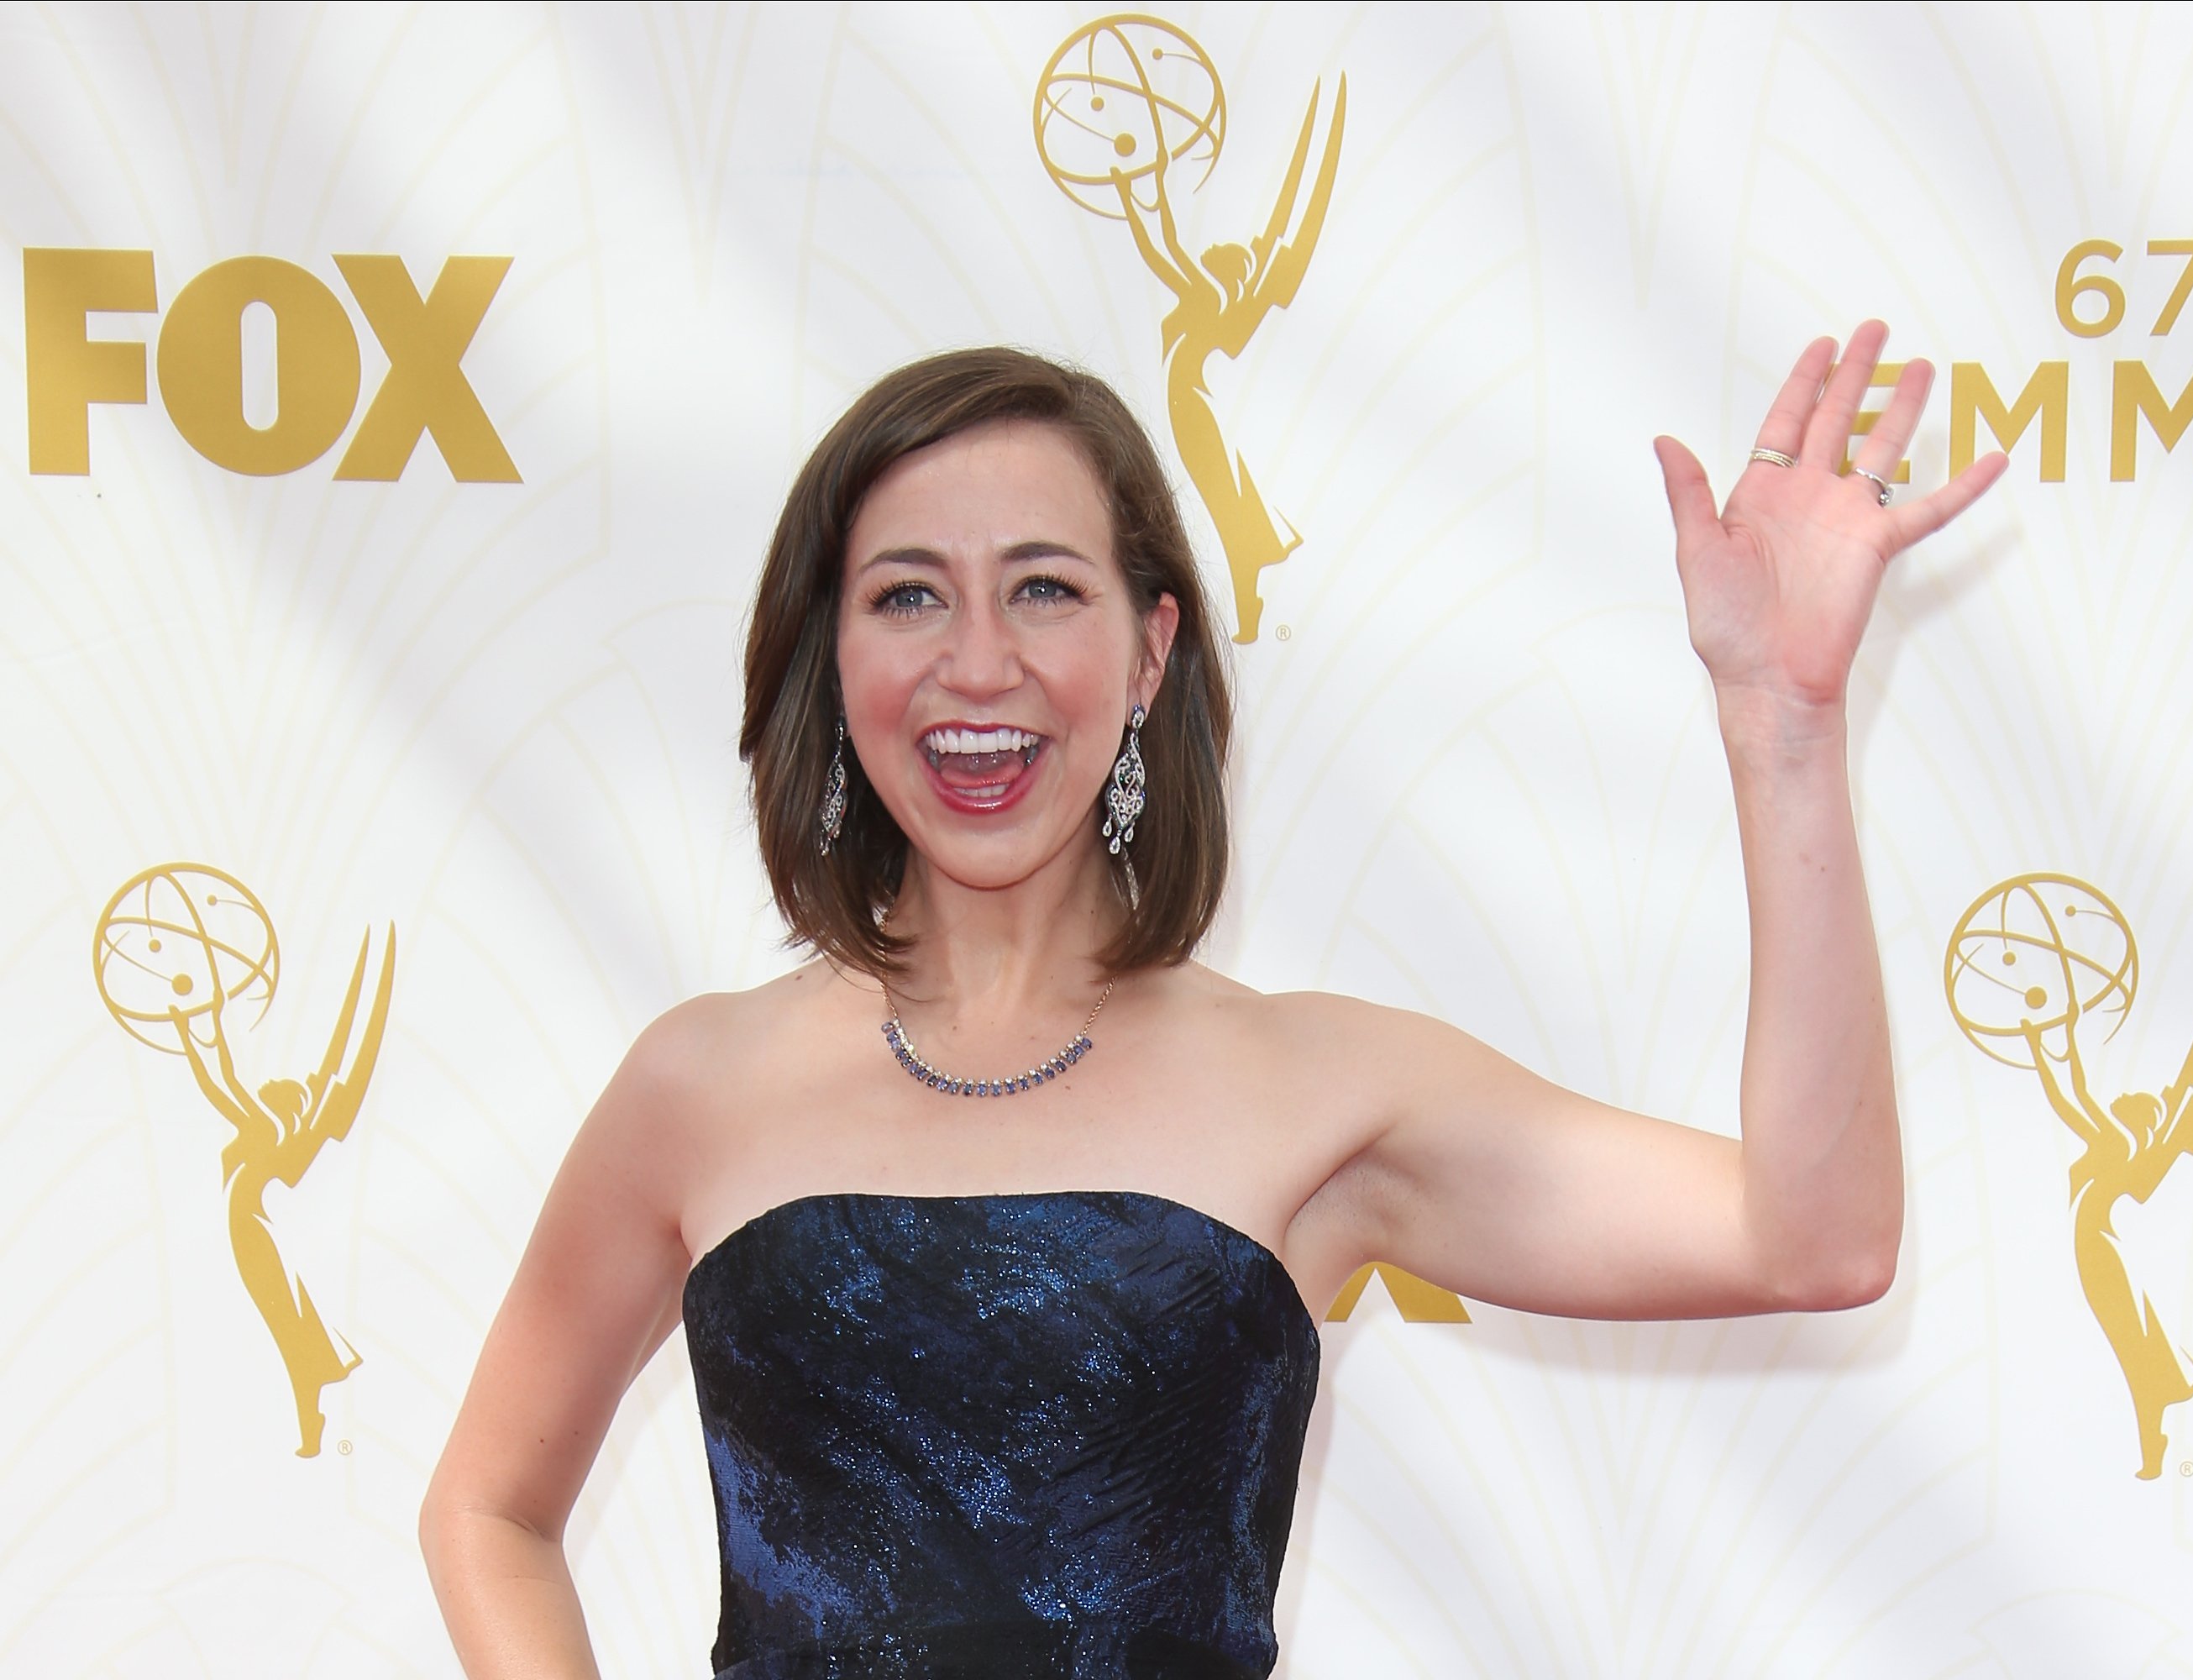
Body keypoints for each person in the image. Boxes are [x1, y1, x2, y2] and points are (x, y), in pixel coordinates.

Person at [417, 324, 2007, 1678]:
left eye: (1043, 589)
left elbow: (1814, 1237)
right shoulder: (699, 1086)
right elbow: (488, 1505)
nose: (978, 663)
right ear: (831, 653)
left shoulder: (1322, 1089)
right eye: (908, 596)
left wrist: (1784, 725)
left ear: (1151, 647)